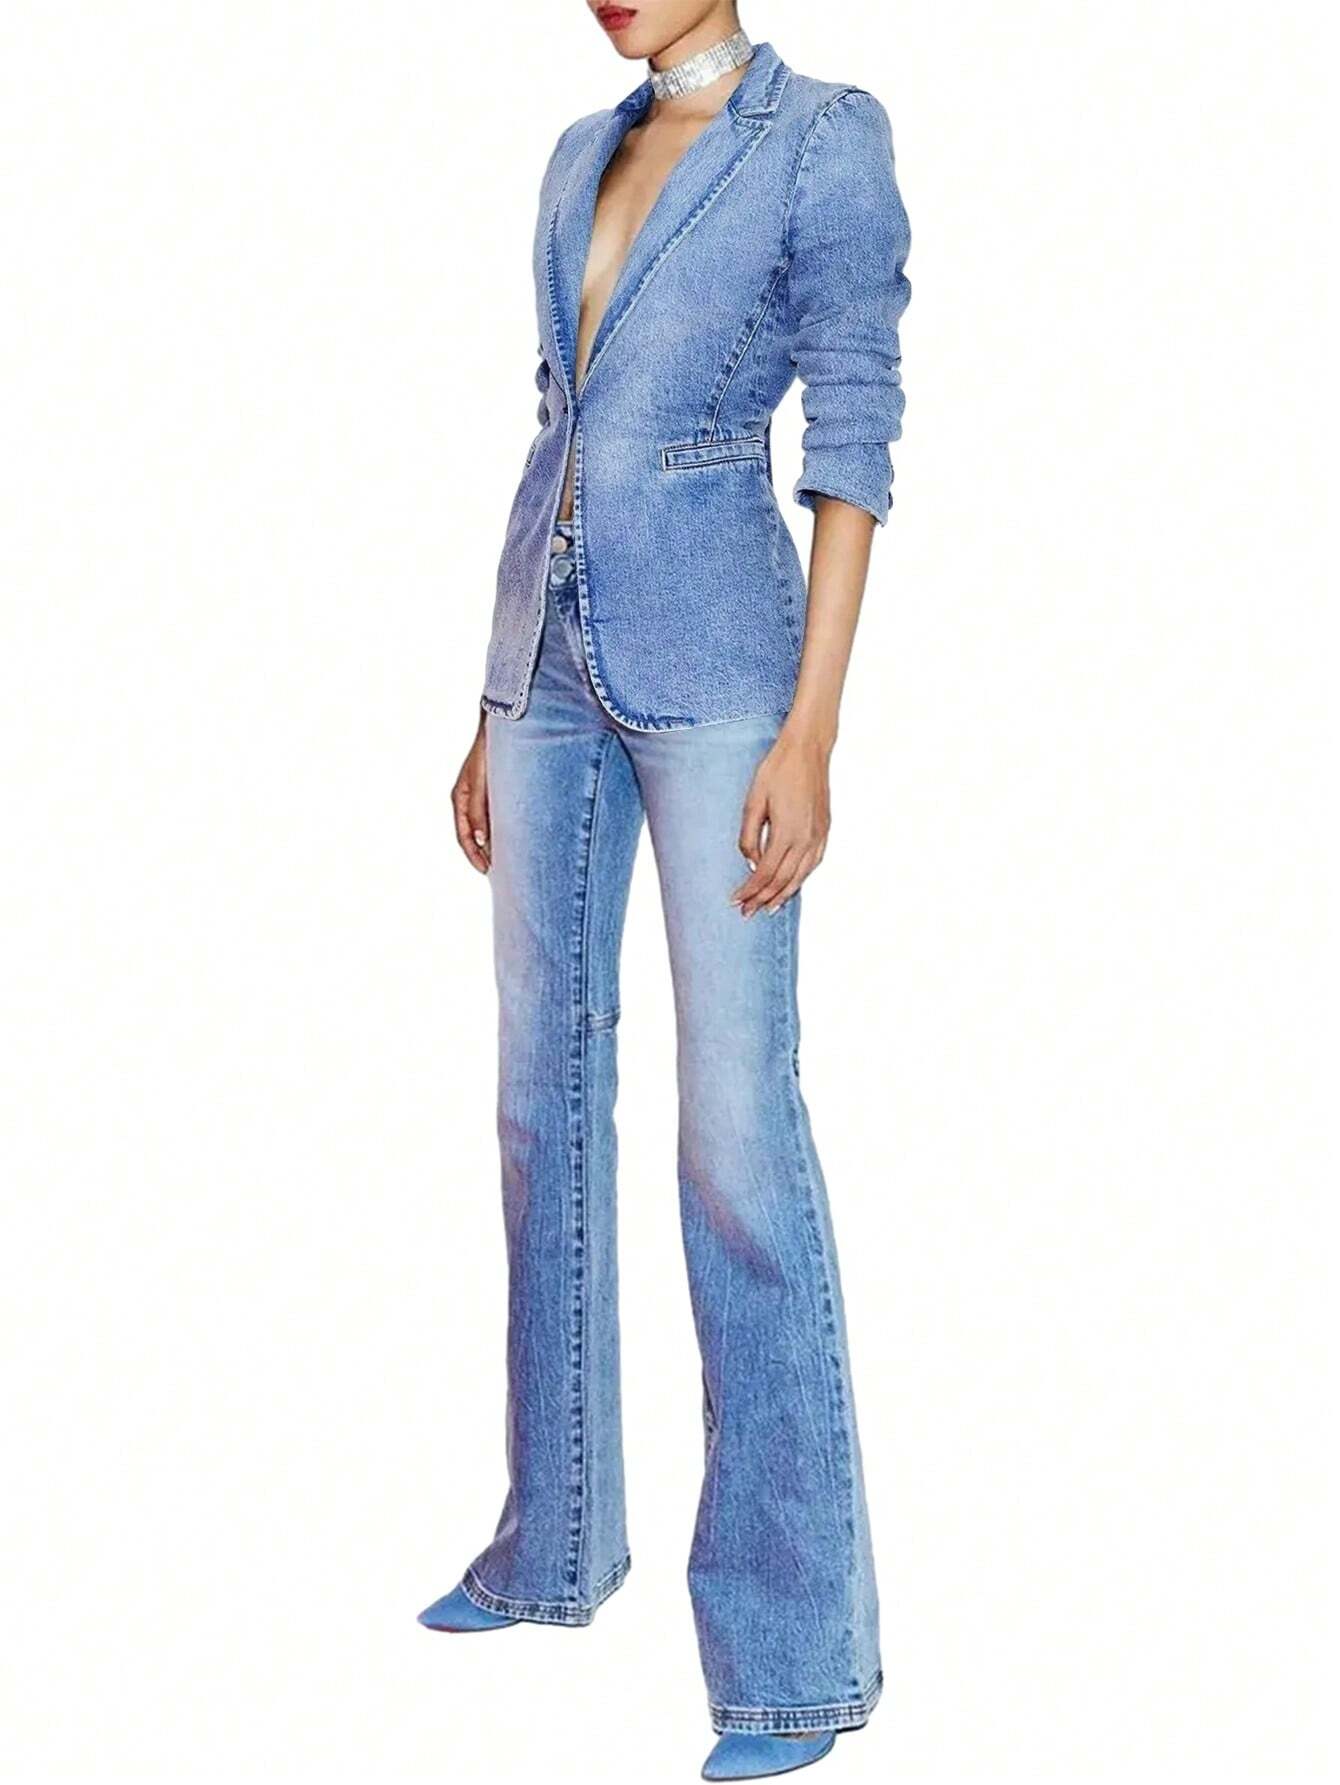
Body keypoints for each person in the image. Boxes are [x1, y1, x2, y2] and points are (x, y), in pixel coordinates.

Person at [421, 4, 910, 1777]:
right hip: (546, 672)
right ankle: (552, 1541)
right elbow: (561, 430)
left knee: (736, 1137)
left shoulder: (823, 138)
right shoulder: (581, 155)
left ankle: (792, 1656)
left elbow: (851, 445)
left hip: (720, 678)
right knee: (536, 1107)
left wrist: (812, 731)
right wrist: (493, 701)